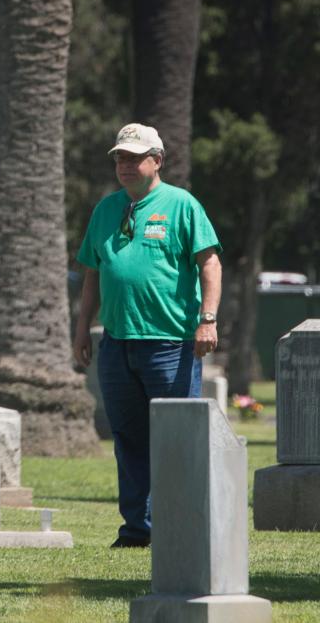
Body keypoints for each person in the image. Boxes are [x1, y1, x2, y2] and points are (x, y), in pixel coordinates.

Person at [72, 124, 222, 548]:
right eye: (120, 157)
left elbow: (210, 264)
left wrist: (207, 319)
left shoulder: (182, 205)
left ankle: (179, 530)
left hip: (170, 344)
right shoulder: (105, 209)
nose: (125, 164)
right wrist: (82, 329)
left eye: (134, 157)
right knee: (129, 439)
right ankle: (138, 531)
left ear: (157, 159)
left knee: (175, 439)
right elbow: (92, 273)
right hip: (116, 344)